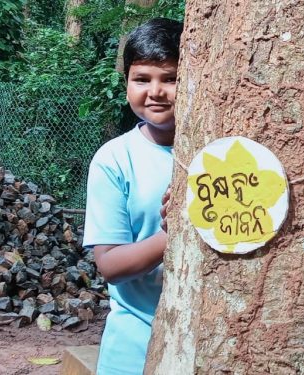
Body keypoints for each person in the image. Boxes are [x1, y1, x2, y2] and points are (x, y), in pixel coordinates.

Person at [82, 18, 182, 374]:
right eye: (142, 79)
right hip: (134, 344)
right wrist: (174, 235)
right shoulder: (114, 159)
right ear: (126, 83)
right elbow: (109, 264)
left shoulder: (220, 154)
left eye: (171, 78)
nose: (156, 91)